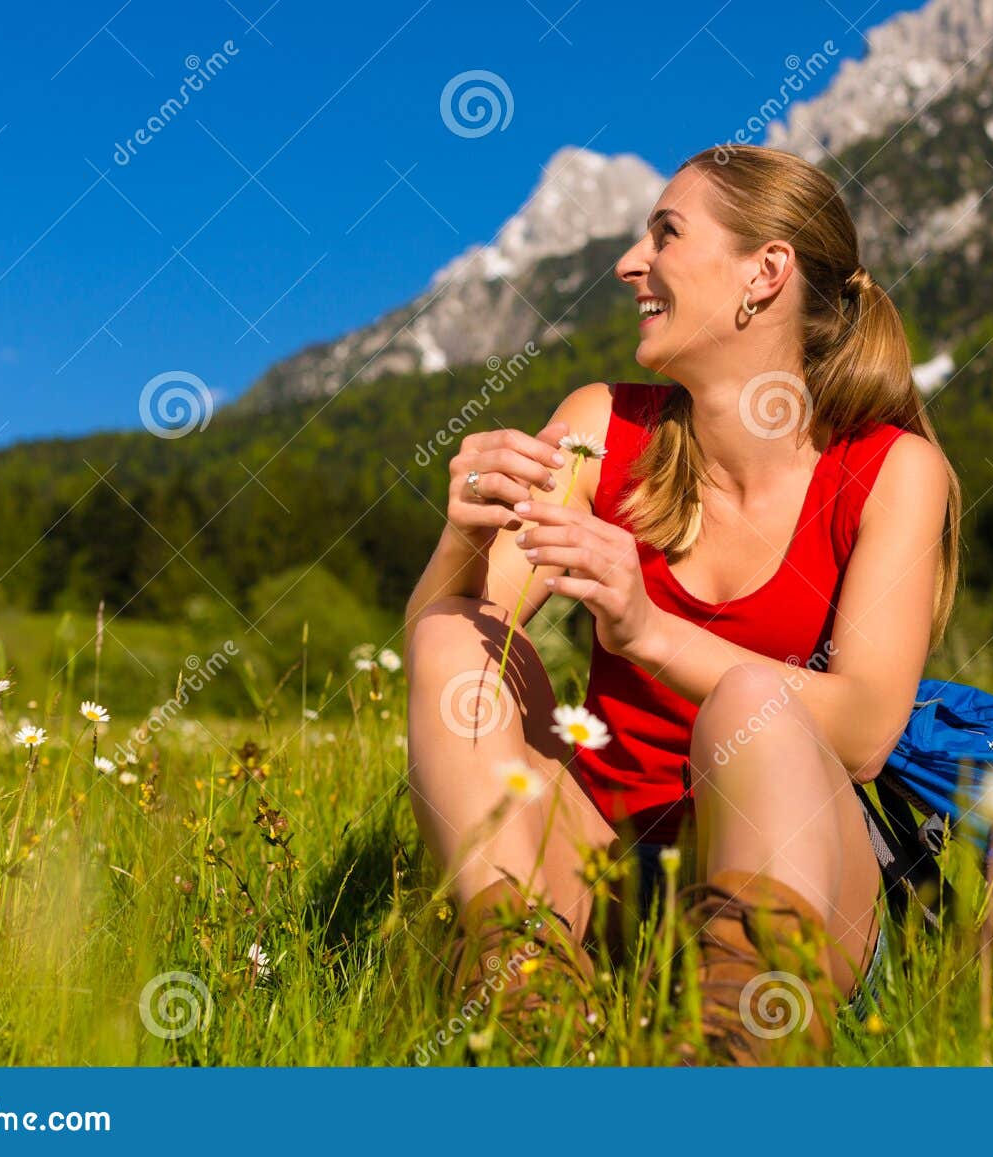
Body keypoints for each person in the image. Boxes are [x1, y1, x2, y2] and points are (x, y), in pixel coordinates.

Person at [403, 143, 960, 1064]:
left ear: (765, 272)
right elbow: (451, 641)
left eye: (665, 234)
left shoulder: (895, 469)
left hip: (792, 871)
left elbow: (862, 728)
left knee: (751, 700)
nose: (630, 264)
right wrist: (464, 536)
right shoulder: (598, 426)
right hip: (606, 869)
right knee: (457, 635)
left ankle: (737, 1052)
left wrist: (649, 632)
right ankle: (529, 1002)